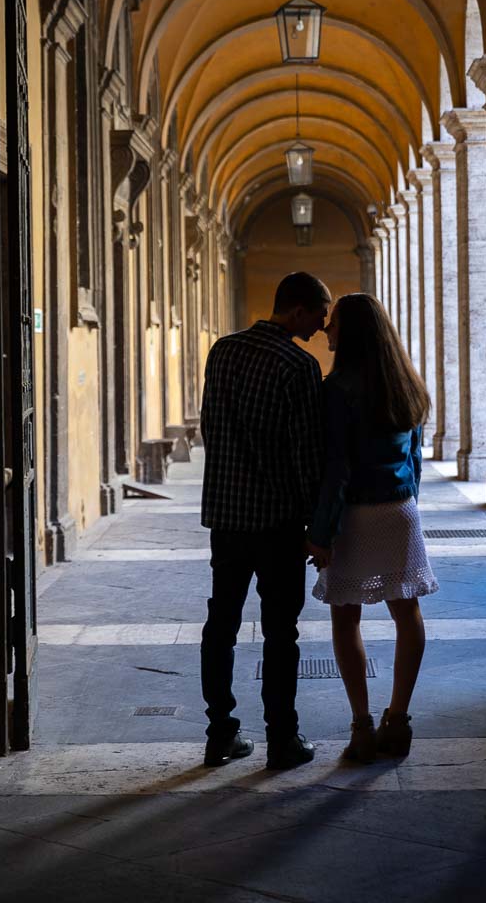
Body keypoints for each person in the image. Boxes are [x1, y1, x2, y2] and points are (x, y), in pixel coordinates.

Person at [199, 271, 331, 771]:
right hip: (277, 524)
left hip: (227, 518)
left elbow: (211, 426)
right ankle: (282, 740)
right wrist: (316, 526)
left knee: (221, 626)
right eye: (320, 313)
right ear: (297, 310)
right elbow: (306, 456)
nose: (322, 325)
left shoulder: (222, 351)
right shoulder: (299, 366)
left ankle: (220, 734)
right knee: (281, 633)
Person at [306, 292, 438, 762]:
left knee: (346, 617)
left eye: (334, 323)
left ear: (352, 332)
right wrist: (409, 504)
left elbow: (336, 469)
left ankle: (361, 727)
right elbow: (415, 459)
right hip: (400, 511)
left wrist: (321, 532)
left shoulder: (336, 390)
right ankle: (398, 720)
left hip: (356, 517)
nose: (327, 330)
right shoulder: (406, 384)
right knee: (408, 614)